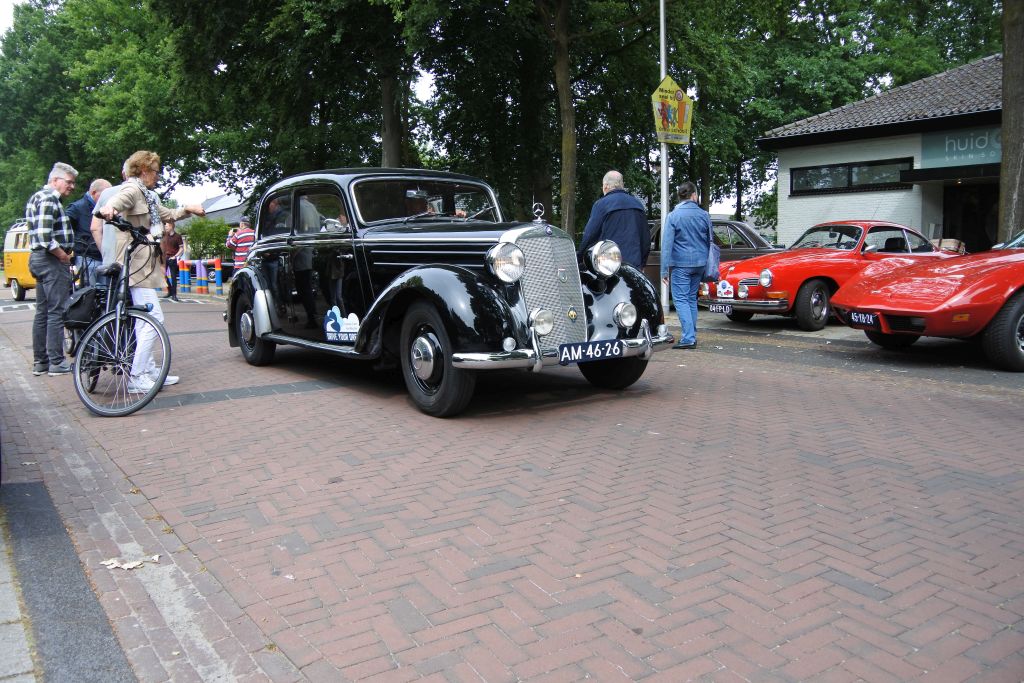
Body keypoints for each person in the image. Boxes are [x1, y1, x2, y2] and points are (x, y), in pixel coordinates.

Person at [97, 150, 205, 393]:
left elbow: (168, 215)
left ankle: (149, 370)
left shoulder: (148, 195)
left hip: (144, 264)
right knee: (153, 318)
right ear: (143, 170)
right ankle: (137, 376)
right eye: (156, 171)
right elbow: (117, 200)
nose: (158, 176)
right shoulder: (133, 189)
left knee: (145, 320)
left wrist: (188, 208)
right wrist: (109, 209)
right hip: (134, 263)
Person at [26, 162, 79, 376]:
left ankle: (41, 362)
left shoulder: (37, 197)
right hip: (51, 260)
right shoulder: (49, 199)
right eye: (69, 182)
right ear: (55, 180)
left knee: (42, 312)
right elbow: (44, 236)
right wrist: (63, 256)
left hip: (39, 260)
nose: (72, 186)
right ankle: (57, 362)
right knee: (56, 311)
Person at [661, 181, 711, 350]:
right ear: (694, 196)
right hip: (700, 263)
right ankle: (691, 333)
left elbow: (666, 245)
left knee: (680, 299)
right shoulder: (704, 215)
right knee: (691, 298)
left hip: (681, 264)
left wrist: (664, 270)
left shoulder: (673, 216)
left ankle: (689, 338)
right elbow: (709, 241)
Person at [576, 170, 650, 269]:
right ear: (622, 185)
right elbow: (645, 239)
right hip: (633, 266)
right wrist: (642, 263)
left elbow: (590, 235)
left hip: (608, 265)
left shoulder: (601, 205)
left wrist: (579, 258)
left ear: (606, 186)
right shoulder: (638, 205)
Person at [65, 178, 111, 286]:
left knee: (107, 293)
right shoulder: (76, 208)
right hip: (87, 257)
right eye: (105, 194)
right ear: (93, 193)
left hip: (105, 257)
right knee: (90, 293)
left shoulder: (106, 208)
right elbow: (63, 228)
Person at [160, 219, 183, 301]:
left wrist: (175, 256)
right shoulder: (164, 235)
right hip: (164, 258)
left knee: (173, 277)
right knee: (163, 276)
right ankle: (169, 290)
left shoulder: (178, 236)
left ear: (171, 226)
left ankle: (174, 295)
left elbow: (181, 248)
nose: (165, 227)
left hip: (172, 258)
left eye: (166, 226)